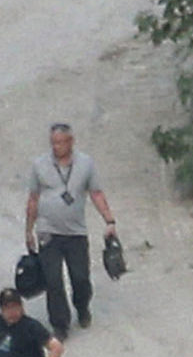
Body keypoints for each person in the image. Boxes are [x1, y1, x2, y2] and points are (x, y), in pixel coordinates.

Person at [19, 124, 119, 331]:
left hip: (76, 232)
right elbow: (33, 199)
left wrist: (109, 221)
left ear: (71, 142)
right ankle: (60, 324)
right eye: (53, 142)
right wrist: (29, 230)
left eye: (60, 142)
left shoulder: (85, 164)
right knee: (53, 281)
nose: (56, 147)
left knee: (81, 278)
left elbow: (96, 193)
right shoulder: (39, 165)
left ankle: (82, 307)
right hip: (48, 232)